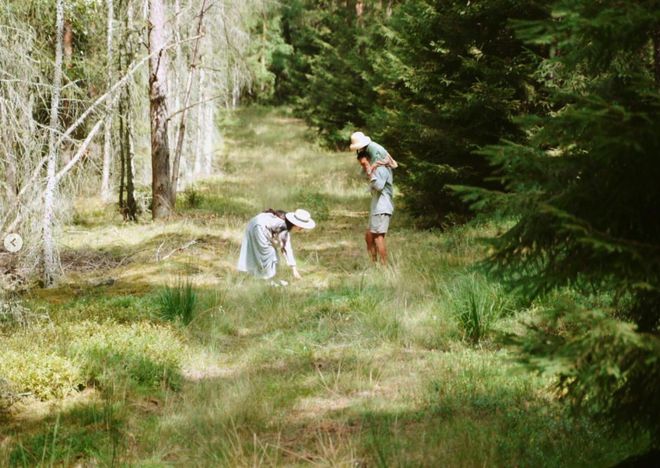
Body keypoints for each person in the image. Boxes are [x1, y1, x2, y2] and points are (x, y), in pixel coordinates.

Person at [237, 208, 316, 280]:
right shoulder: (284, 226)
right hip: (258, 228)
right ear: (296, 225)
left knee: (260, 252)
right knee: (270, 255)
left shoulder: (284, 220)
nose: (301, 230)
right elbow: (286, 248)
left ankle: (254, 276)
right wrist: (294, 269)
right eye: (301, 228)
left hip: (253, 223)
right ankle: (266, 280)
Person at [356, 150, 394, 265]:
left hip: (382, 207)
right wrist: (369, 167)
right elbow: (363, 177)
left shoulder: (381, 169)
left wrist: (370, 170)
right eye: (361, 164)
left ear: (369, 159)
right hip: (376, 208)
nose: (363, 166)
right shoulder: (374, 168)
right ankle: (374, 264)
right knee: (369, 236)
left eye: (364, 163)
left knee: (378, 238)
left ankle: (384, 266)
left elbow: (379, 186)